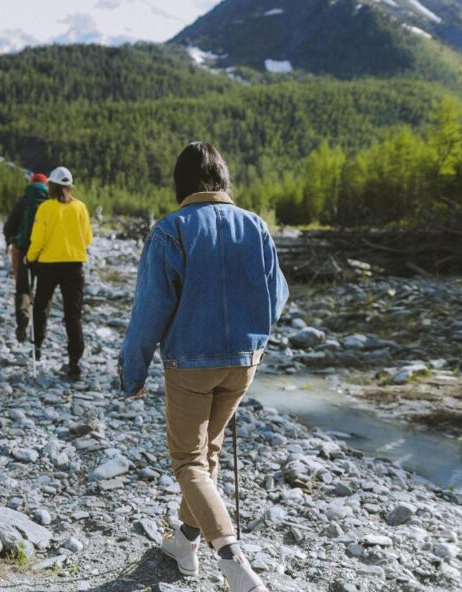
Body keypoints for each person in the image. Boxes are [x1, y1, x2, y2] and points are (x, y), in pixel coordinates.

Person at [118, 142, 288, 592]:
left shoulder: (171, 230)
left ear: (182, 183)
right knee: (208, 451)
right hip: (243, 363)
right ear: (223, 178)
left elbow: (149, 310)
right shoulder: (255, 226)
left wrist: (132, 373)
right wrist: (250, 340)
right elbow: (278, 298)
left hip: (190, 363)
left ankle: (233, 561)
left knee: (189, 462)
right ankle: (184, 542)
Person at [27, 166, 92, 380]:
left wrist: (31, 256)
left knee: (41, 306)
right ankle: (74, 363)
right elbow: (87, 238)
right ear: (70, 187)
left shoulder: (45, 208)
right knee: (73, 315)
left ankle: (37, 348)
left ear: (52, 186)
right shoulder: (81, 208)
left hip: (48, 265)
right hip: (74, 265)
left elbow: (38, 238)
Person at [3, 173, 49, 342]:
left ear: (31, 183)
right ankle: (40, 332)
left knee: (23, 289)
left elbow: (9, 226)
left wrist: (9, 240)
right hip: (44, 255)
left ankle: (23, 319)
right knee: (43, 293)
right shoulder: (50, 203)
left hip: (23, 251)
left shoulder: (23, 201)